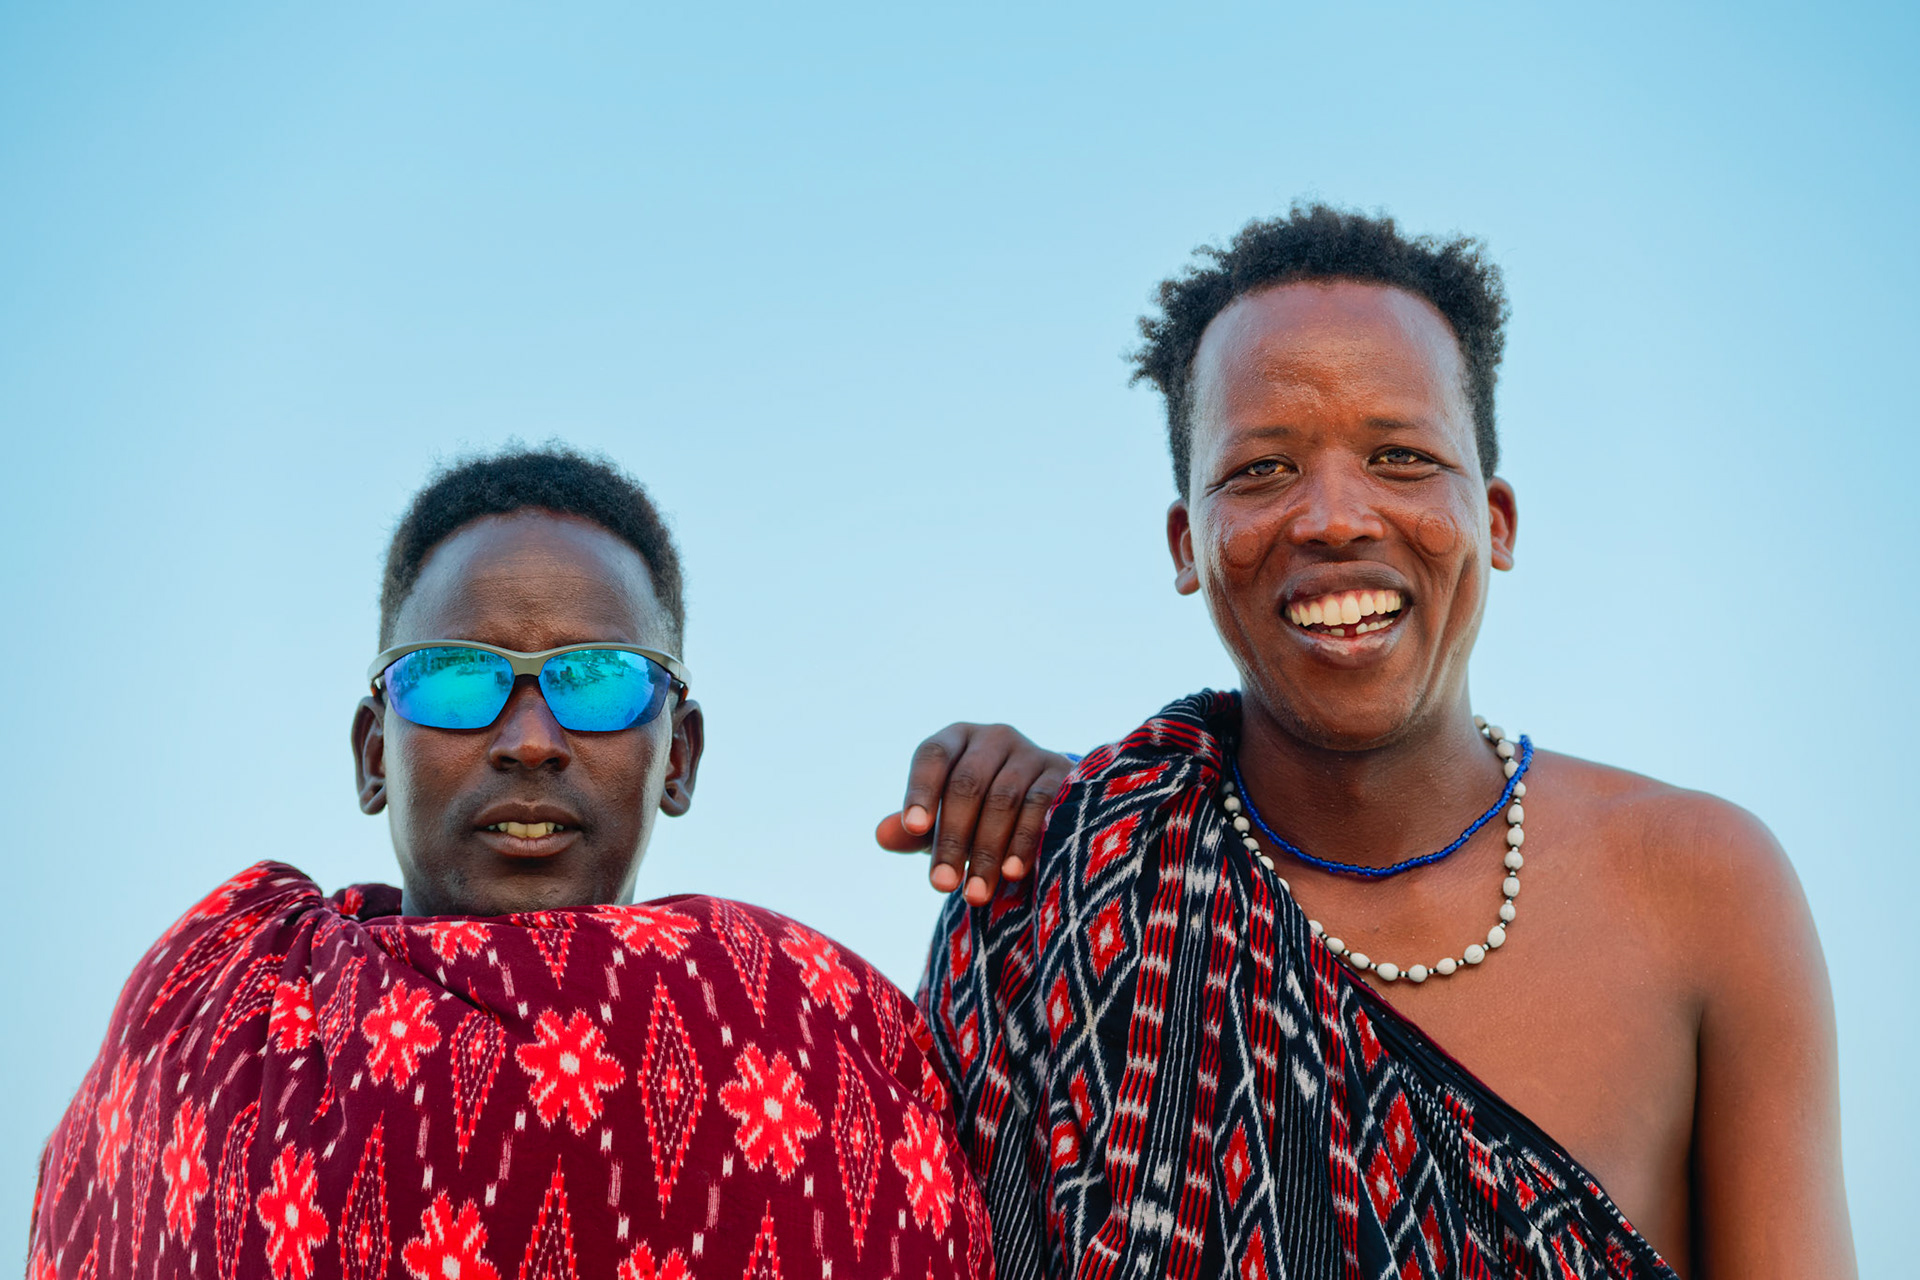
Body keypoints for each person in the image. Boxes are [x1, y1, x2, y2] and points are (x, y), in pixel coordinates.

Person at [904, 206, 1855, 1278]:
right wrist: (1067, 830)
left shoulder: (1703, 885)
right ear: (1187, 542)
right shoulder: (1073, 895)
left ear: (1495, 520)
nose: (1336, 517)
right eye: (1261, 470)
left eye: (1401, 455)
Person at [28, 447, 1073, 1280]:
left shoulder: (817, 1030)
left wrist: (1073, 812)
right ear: (370, 753)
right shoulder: (220, 1034)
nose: (530, 736)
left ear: (682, 756)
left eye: (600, 681)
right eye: (452, 679)